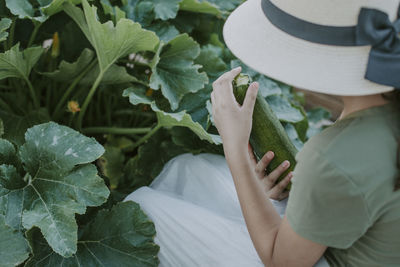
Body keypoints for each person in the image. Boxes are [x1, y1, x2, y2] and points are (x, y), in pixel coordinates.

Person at [124, 0, 400, 266]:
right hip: (355, 243)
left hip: (311, 259)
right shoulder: (380, 116)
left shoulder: (332, 157)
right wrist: (301, 195)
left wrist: (235, 146)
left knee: (141, 208)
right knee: (185, 169)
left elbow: (281, 260)